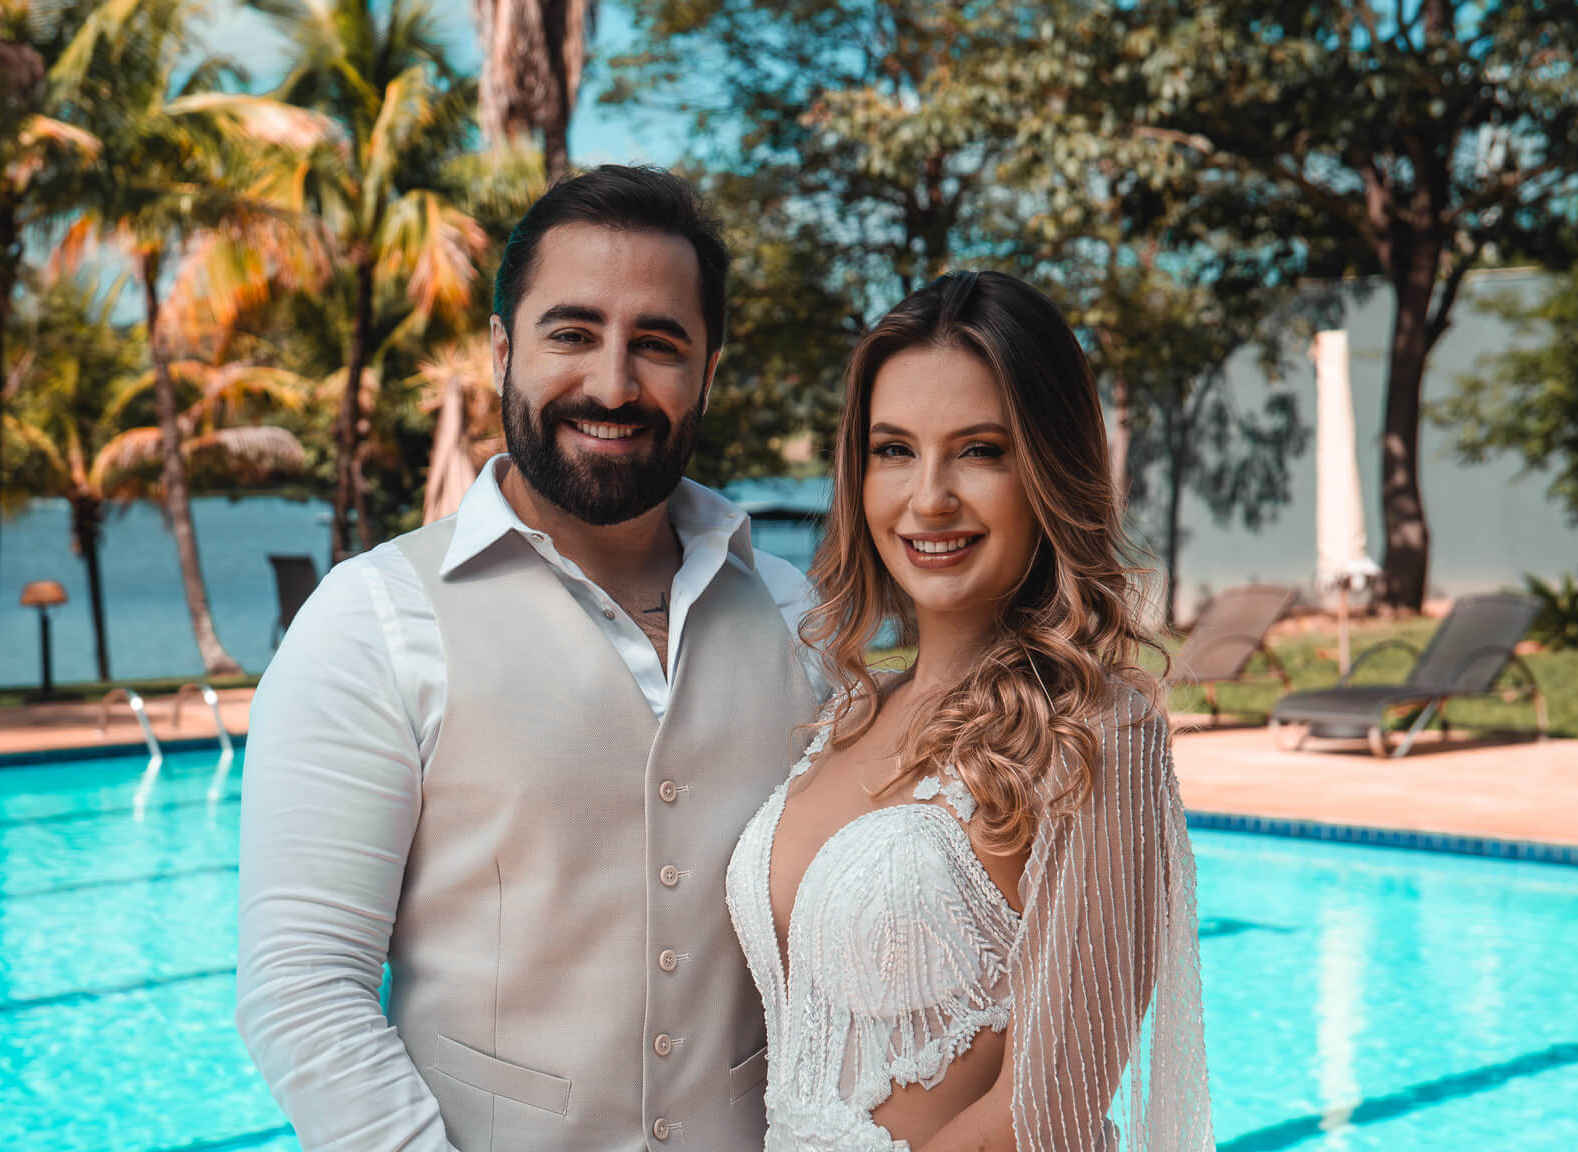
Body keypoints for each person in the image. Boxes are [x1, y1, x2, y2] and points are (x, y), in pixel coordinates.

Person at [235, 165, 825, 1152]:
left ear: (708, 372)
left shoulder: (796, 615)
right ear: (504, 350)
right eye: (572, 333)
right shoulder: (372, 620)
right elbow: (303, 988)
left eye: (658, 344)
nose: (613, 384)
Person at [724, 271, 1213, 1151]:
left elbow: (1045, 1111)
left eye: (981, 450)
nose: (929, 497)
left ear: (1050, 470)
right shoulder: (845, 713)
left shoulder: (1098, 736)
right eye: (894, 450)